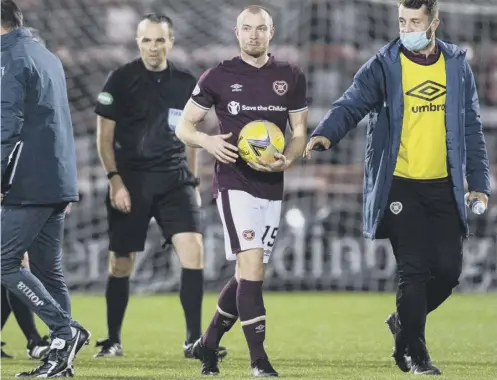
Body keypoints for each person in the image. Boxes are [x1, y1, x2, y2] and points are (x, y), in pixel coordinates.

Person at [305, 0, 490, 375]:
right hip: (400, 185)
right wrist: (325, 133)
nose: (407, 29)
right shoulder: (384, 65)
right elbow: (351, 103)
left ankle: (402, 324)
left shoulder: (456, 66)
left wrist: (479, 183)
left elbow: (472, 127)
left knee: (449, 272)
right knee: (413, 271)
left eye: (415, 22)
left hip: (443, 185)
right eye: (402, 22)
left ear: (434, 22)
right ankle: (416, 355)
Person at [176, 5, 308, 377]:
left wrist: (290, 160)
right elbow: (184, 126)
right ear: (237, 32)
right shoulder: (218, 75)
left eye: (260, 28)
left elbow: (299, 133)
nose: (254, 35)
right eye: (247, 28)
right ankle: (258, 361)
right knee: (251, 264)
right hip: (234, 182)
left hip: (272, 184)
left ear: (272, 31)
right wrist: (207, 141)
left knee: (247, 273)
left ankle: (207, 344)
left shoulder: (290, 76)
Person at [93, 12, 226, 359]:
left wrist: (193, 180)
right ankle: (113, 339)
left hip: (174, 180)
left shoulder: (185, 83)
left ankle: (194, 341)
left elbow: (191, 138)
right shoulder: (119, 80)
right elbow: (103, 139)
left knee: (194, 251)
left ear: (171, 41)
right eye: (147, 40)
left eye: (160, 40)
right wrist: (114, 180)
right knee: (121, 263)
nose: (153, 47)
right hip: (130, 183)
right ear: (137, 42)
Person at [0, 0, 90, 377]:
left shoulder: (10, 58)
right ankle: (61, 358)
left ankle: (64, 330)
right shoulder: (47, 55)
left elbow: (7, 122)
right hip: (56, 177)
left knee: (3, 261)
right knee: (49, 272)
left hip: (27, 178)